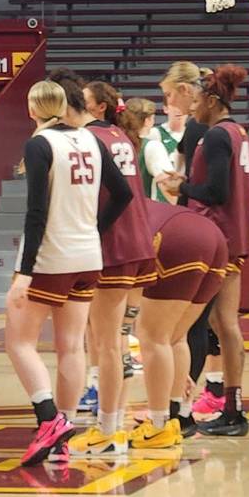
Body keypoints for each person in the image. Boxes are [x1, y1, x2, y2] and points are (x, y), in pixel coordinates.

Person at [4, 80, 132, 466]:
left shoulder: (40, 144)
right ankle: (63, 432)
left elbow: (36, 212)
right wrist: (94, 229)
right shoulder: (91, 139)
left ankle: (48, 418)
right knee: (72, 347)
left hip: (51, 257)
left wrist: (24, 272)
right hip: (87, 256)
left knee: (18, 342)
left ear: (32, 110)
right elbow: (123, 193)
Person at [61, 76, 154, 456]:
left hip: (113, 244)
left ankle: (108, 428)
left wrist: (92, 231)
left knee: (106, 342)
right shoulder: (120, 135)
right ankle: (109, 416)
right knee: (112, 340)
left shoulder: (91, 139)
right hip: (136, 238)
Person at [163, 64, 249, 437]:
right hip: (233, 235)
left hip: (220, 238)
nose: (193, 109)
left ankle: (221, 409)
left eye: (198, 101)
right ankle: (230, 407)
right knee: (224, 324)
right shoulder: (237, 131)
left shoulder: (217, 136)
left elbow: (216, 192)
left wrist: (182, 188)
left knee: (214, 325)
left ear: (213, 101)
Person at [130, 198, 228, 446]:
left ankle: (159, 423)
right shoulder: (135, 200)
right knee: (176, 336)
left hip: (177, 236)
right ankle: (177, 415)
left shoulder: (104, 212)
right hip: (213, 236)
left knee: (152, 336)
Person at [159, 60, 224, 413]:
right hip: (215, 233)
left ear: (186, 91)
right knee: (215, 324)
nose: (169, 104)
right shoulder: (213, 130)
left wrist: (180, 186)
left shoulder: (207, 130)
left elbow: (211, 189)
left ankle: (182, 405)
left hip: (203, 231)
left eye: (170, 96)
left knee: (193, 325)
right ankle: (213, 394)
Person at [120, 98, 176, 202]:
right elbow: (168, 186)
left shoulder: (114, 143)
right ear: (147, 120)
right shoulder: (152, 147)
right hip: (143, 213)